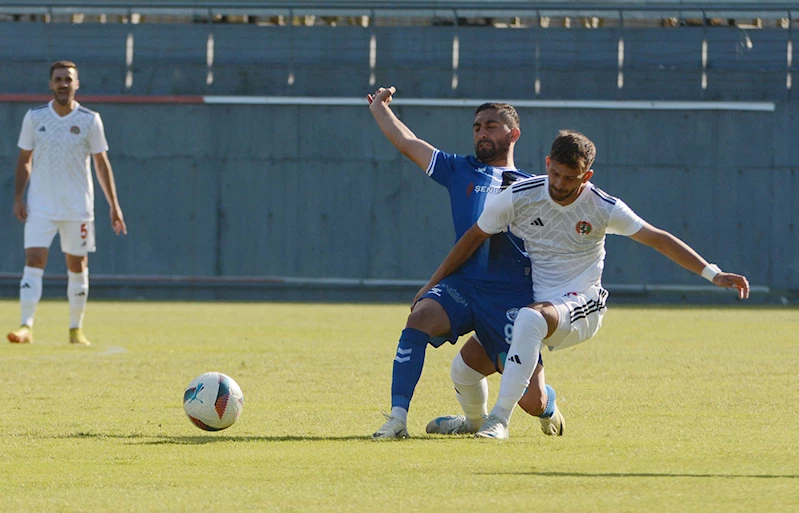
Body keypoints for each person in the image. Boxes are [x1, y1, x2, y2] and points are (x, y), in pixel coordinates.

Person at [417, 129, 750, 439]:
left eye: (570, 178)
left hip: (580, 305)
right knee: (464, 370)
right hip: (531, 307)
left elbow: (658, 239)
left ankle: (498, 421)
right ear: (547, 164)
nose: (560, 184)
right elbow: (474, 237)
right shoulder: (520, 196)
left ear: (586, 176)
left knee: (530, 319)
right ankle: (481, 421)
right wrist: (433, 284)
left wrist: (712, 273)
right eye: (556, 173)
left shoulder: (602, 207)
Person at [367, 86, 564, 439]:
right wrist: (381, 109)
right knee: (420, 316)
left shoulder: (532, 187)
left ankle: (548, 407)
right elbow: (408, 142)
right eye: (476, 127)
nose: (482, 132)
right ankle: (397, 420)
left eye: (491, 125)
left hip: (510, 300)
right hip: (465, 285)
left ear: (513, 134)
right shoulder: (459, 169)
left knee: (530, 400)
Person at [7, 60, 127, 346]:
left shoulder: (89, 120)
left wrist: (114, 204)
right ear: (50, 84)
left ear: (77, 84)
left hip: (78, 207)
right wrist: (19, 197)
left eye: (68, 79)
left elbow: (101, 163)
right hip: (41, 206)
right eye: (58, 79)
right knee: (34, 261)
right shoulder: (35, 118)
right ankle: (26, 326)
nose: (63, 84)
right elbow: (24, 160)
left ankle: (76, 329)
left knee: (77, 265)